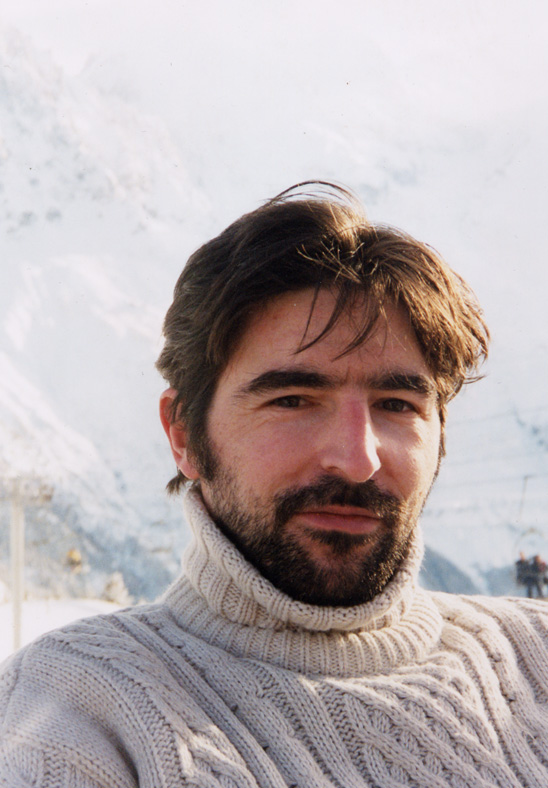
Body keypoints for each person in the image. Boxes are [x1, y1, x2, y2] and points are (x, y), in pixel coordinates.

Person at [2, 182, 548, 787]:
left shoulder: (535, 659)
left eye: (396, 405)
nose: (357, 459)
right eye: (293, 399)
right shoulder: (74, 709)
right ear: (183, 434)